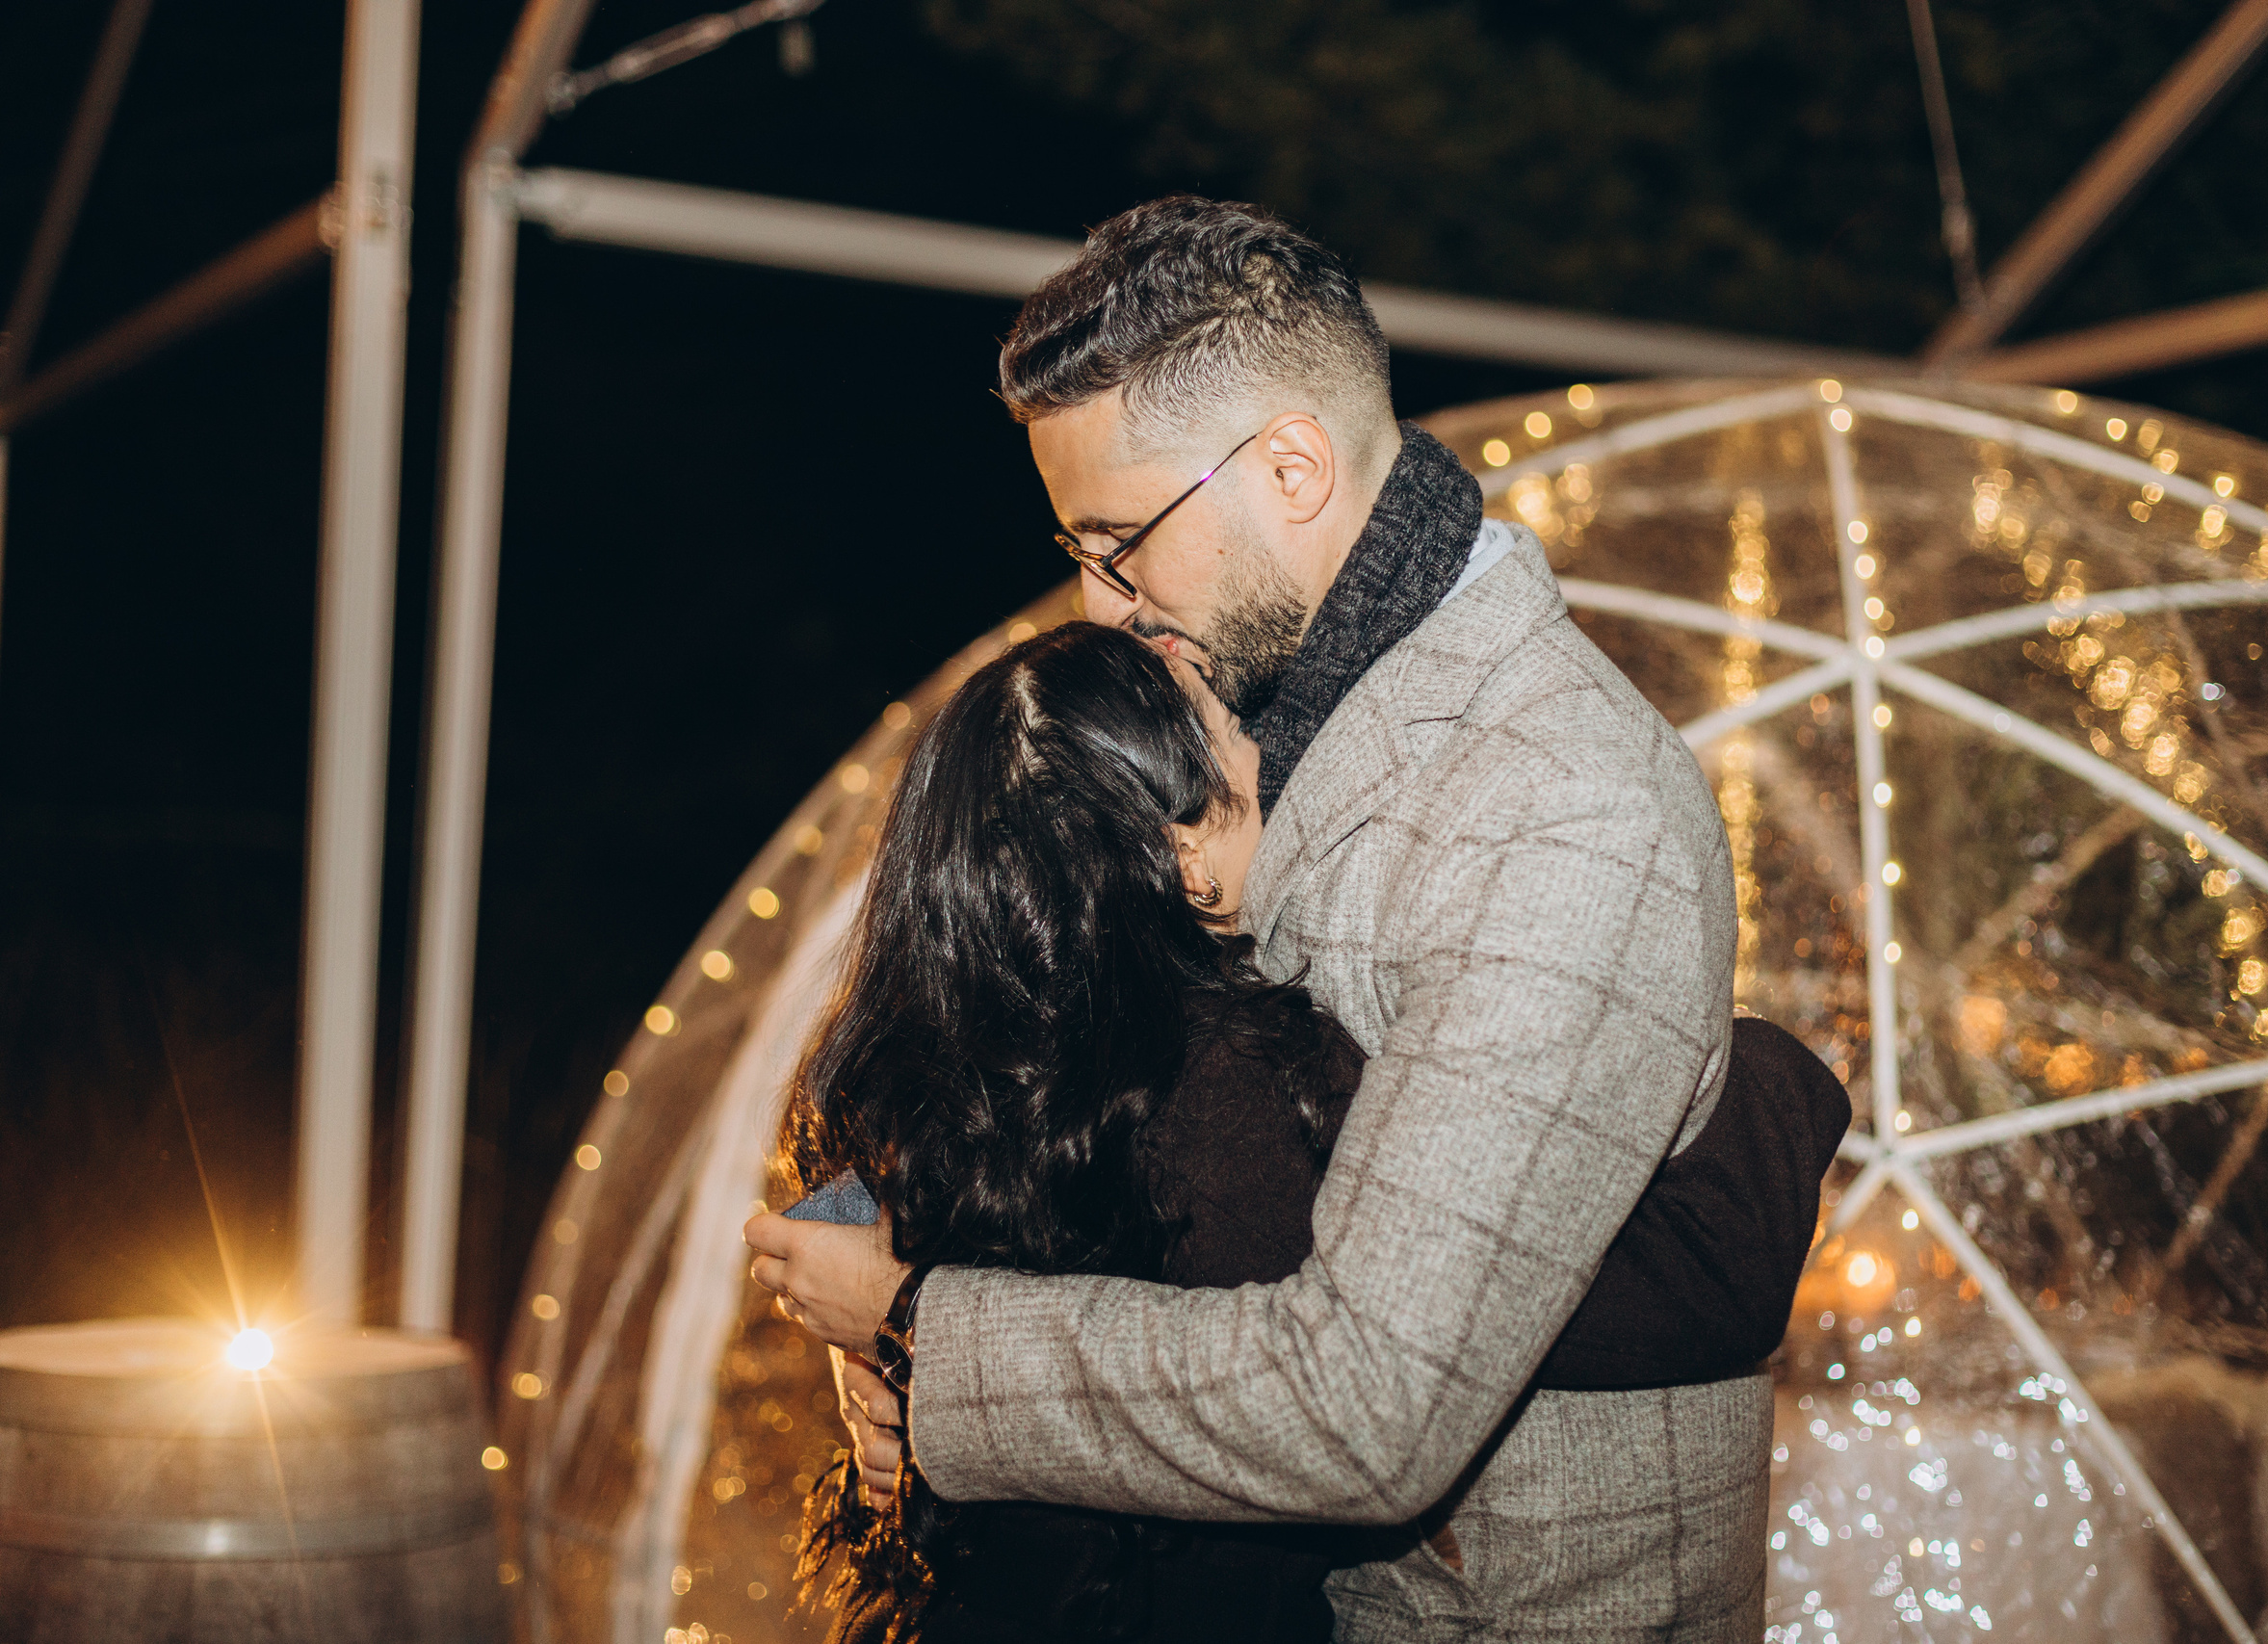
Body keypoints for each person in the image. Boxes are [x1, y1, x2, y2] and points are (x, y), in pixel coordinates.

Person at [750, 195, 1782, 1640]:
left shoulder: (1560, 805)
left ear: (1292, 465)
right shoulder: (1252, 696)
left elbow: (1370, 1408)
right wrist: (886, 1264)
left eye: (1121, 540)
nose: (1102, 604)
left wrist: (923, 1326)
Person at [768, 621, 1849, 1641]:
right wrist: (1740, 1054)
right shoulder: (1244, 1102)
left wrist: (886, 1345)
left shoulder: (898, 1079)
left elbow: (827, 1242)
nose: (1295, 766)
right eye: (1249, 738)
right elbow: (1709, 1265)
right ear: (1183, 852)